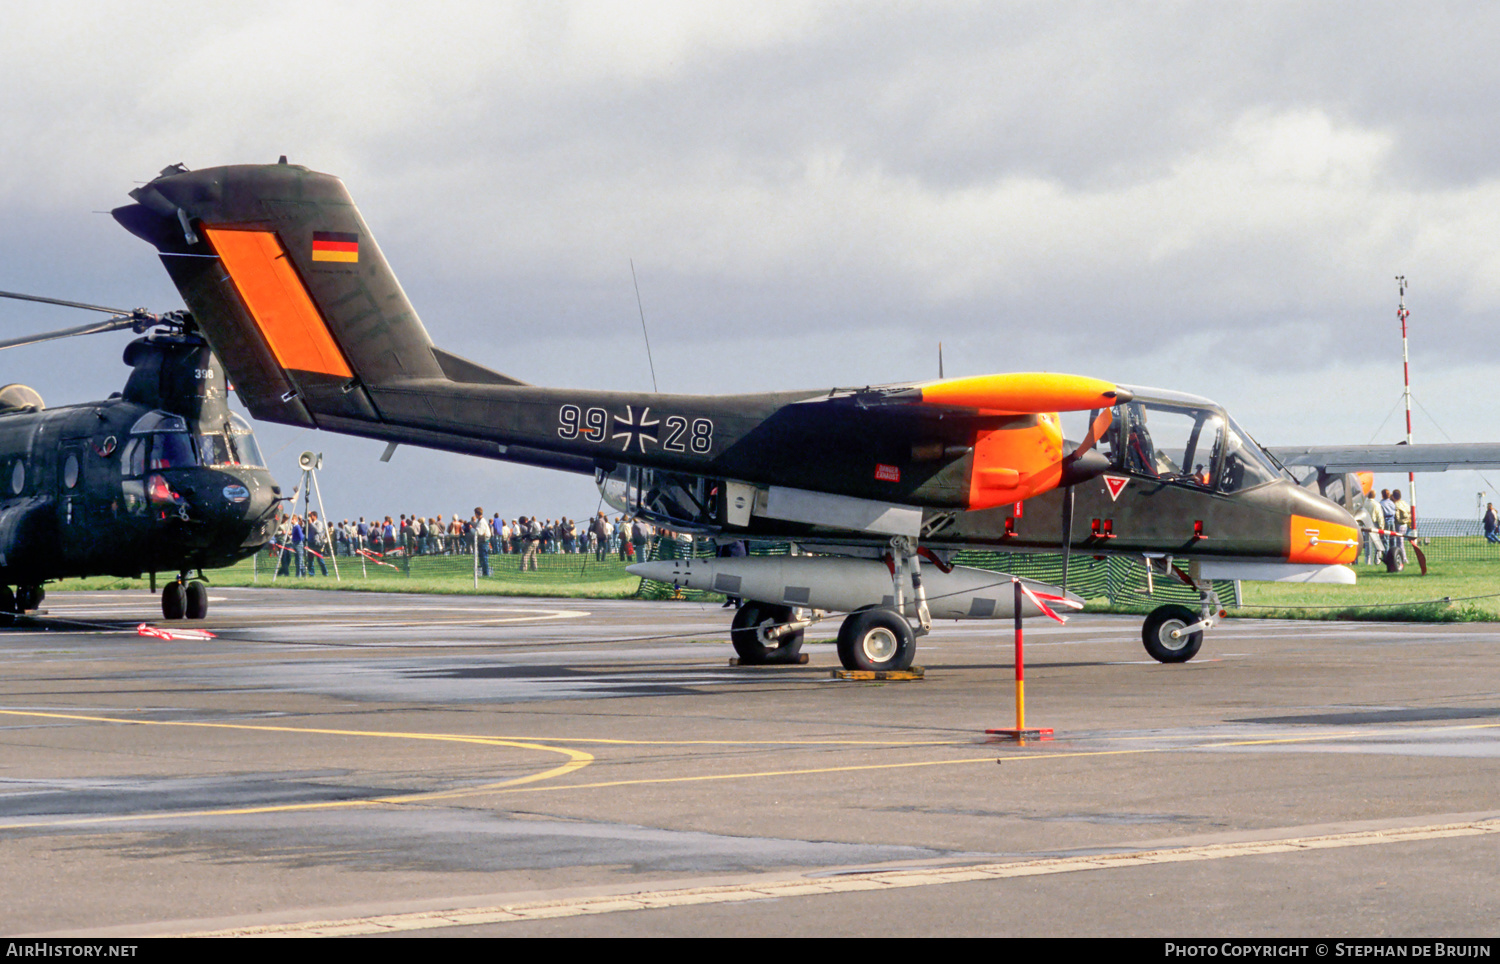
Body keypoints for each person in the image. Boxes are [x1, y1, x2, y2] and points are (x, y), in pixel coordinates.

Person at [473, 507, 492, 577]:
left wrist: (471, 529)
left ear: (476, 514)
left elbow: (479, 532)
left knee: (484, 558)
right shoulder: (480, 521)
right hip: (482, 541)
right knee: (482, 558)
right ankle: (484, 573)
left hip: (484, 542)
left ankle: (486, 573)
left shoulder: (482, 522)